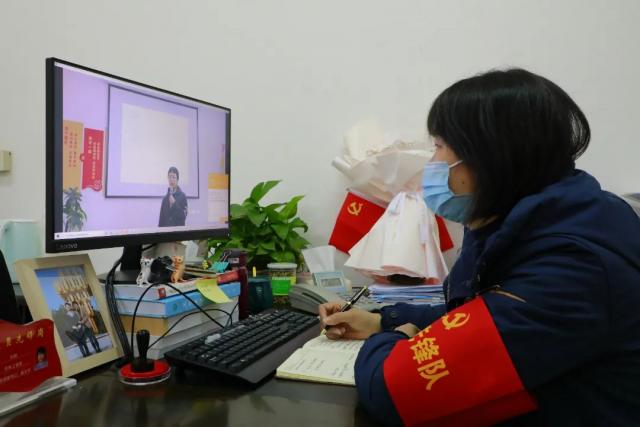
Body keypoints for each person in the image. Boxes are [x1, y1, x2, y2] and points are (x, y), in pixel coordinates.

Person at [320, 69, 640, 425]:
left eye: (439, 146)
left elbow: (391, 393)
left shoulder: (570, 268)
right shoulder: (537, 219)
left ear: (489, 156)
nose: (431, 164)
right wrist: (383, 319)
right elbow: (478, 315)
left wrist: (397, 336)